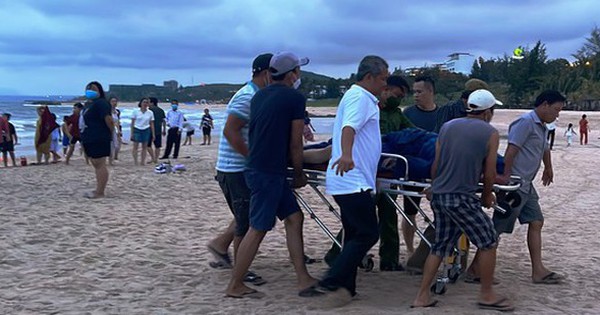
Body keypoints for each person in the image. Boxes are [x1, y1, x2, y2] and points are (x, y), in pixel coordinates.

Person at [225, 51, 318, 299]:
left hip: (259, 168)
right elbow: (296, 143)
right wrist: (299, 174)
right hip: (268, 172)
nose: (299, 75)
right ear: (291, 74)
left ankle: (302, 278)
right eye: (298, 70)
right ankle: (235, 284)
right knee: (258, 228)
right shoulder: (294, 98)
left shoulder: (260, 96)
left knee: (294, 217)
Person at [412, 89, 513, 311]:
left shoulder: (448, 127)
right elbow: (488, 172)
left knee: (439, 245)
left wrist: (434, 185)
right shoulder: (490, 133)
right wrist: (487, 194)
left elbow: (436, 163)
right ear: (488, 112)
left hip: (440, 196)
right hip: (461, 198)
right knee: (488, 241)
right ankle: (486, 294)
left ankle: (422, 296)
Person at [323, 75, 413, 271]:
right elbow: (351, 130)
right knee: (361, 225)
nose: (398, 99)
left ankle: (389, 259)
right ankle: (336, 257)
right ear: (387, 90)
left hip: (383, 170)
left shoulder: (398, 115)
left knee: (387, 217)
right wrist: (346, 154)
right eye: (397, 94)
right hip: (363, 173)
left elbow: (412, 134)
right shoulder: (367, 105)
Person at [319, 55, 389, 305]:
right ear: (368, 77)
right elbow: (349, 128)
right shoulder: (361, 98)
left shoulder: (357, 96)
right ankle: (332, 279)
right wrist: (347, 155)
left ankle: (347, 288)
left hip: (349, 179)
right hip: (352, 179)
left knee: (353, 234)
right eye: (383, 79)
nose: (385, 84)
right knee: (368, 233)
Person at [207, 53, 272, 286]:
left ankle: (219, 245)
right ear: (266, 74)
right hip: (236, 169)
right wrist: (252, 157)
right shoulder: (247, 97)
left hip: (235, 168)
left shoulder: (256, 95)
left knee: (246, 214)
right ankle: (241, 271)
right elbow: (230, 131)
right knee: (245, 222)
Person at [493, 90, 566, 285]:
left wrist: (548, 168)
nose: (557, 114)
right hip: (515, 184)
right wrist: (506, 178)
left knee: (536, 221)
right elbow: (511, 150)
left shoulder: (542, 126)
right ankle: (476, 269)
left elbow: (544, 148)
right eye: (556, 110)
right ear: (544, 105)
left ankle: (538, 270)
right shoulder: (525, 122)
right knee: (497, 228)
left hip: (527, 184)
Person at [401, 75, 438, 254]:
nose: (416, 95)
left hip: (437, 170)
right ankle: (410, 250)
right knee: (410, 211)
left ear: (430, 92)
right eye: (414, 92)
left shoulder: (442, 114)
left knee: (440, 210)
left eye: (419, 91)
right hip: (412, 169)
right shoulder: (408, 113)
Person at [80, 81, 114, 199]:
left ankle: (100, 192)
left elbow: (109, 120)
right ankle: (98, 189)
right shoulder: (89, 104)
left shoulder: (101, 103)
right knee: (96, 163)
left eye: (93, 89)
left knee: (100, 163)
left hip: (99, 137)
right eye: (88, 88)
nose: (90, 90)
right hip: (89, 137)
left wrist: (111, 134)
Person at [130, 98, 155, 165]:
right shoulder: (136, 111)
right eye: (144, 102)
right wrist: (131, 133)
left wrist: (153, 134)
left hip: (146, 129)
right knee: (135, 147)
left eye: (147, 102)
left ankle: (142, 162)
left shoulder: (150, 112)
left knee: (144, 147)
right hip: (137, 129)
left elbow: (151, 123)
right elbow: (132, 123)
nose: (145, 104)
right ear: (140, 103)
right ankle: (135, 161)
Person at [148, 97, 166, 163]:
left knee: (148, 145)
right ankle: (156, 159)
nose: (147, 103)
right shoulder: (161, 110)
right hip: (158, 130)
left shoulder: (149, 110)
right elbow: (163, 121)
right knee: (157, 146)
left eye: (148, 102)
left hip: (149, 130)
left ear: (152, 103)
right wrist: (164, 129)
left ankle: (153, 158)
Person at [109, 96, 122, 164]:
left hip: (116, 129)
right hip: (109, 129)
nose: (114, 103)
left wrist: (119, 130)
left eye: (115, 101)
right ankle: (110, 160)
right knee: (110, 145)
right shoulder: (107, 111)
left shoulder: (117, 111)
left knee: (117, 144)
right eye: (112, 101)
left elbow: (118, 121)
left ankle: (114, 157)